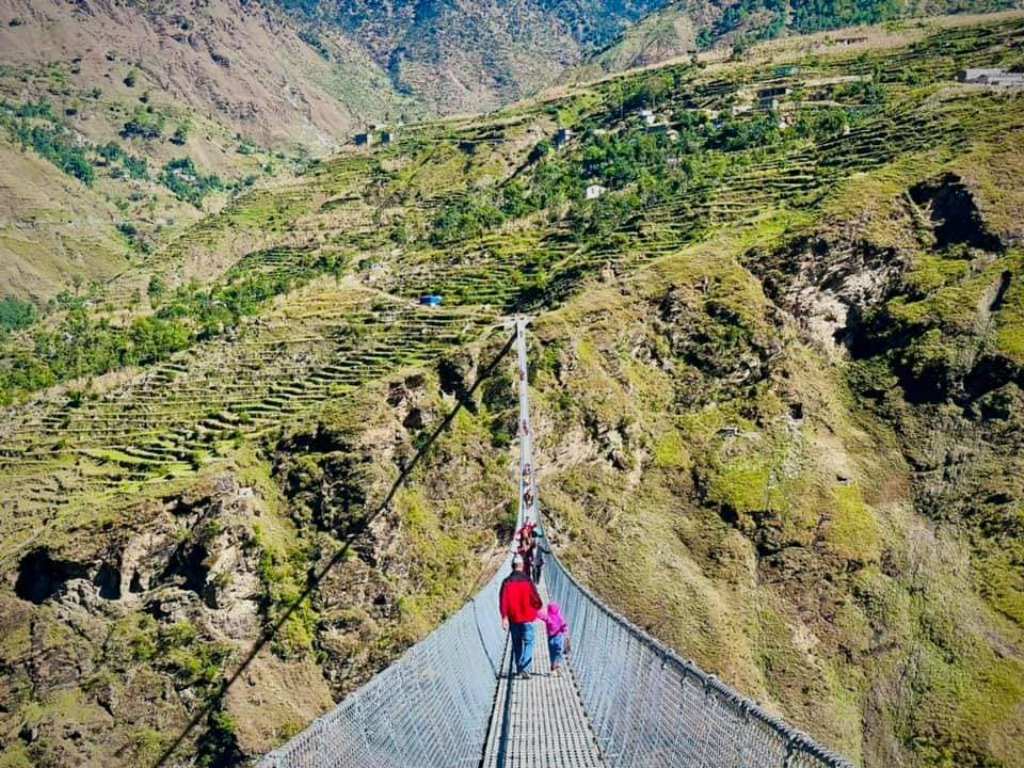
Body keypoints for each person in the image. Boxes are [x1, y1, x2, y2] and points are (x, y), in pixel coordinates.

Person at [499, 554, 543, 679]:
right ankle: (525, 668)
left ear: (512, 566)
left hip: (513, 619)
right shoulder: (527, 581)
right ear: (522, 566)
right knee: (529, 642)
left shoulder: (506, 582)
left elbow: (503, 601)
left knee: (517, 643)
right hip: (527, 618)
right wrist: (538, 605)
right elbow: (535, 598)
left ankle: (519, 668)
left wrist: (504, 617)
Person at [539, 601, 570, 676]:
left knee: (552, 653)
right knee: (559, 652)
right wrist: (566, 634)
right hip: (559, 637)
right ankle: (557, 665)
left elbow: (540, 615)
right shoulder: (560, 617)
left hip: (551, 638)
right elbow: (564, 626)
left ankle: (553, 666)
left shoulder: (548, 617)